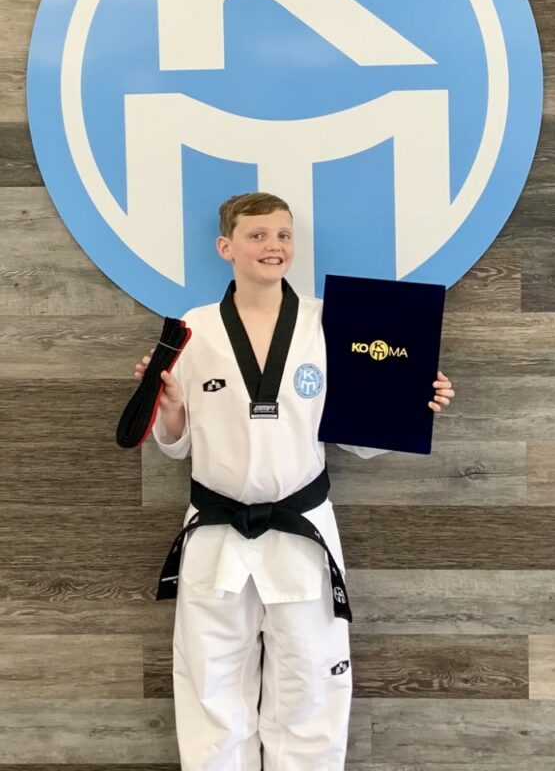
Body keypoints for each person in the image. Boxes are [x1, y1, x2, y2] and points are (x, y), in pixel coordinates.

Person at [133, 191, 455, 771]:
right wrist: (170, 404)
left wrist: (413, 403)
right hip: (215, 531)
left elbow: (358, 429)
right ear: (226, 248)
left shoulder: (332, 322)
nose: (273, 247)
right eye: (257, 236)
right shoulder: (191, 330)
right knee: (210, 688)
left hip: (302, 525)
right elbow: (176, 442)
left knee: (311, 685)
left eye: (283, 235)